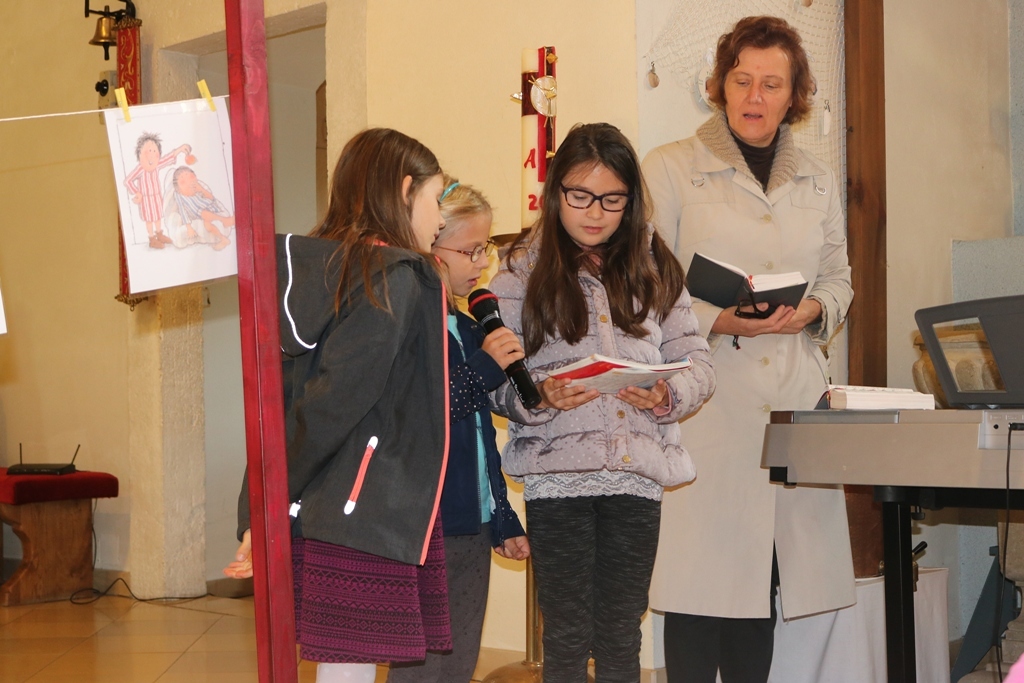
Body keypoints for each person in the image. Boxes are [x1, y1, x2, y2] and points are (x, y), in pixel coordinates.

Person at [642, 16, 856, 682]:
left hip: (790, 395)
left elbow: (839, 277)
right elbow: (645, 283)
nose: (754, 96)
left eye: (772, 83)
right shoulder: (670, 167)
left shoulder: (817, 179)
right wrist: (720, 317)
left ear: (795, 95)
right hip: (709, 398)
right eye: (741, 80)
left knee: (762, 580)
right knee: (699, 582)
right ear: (720, 85)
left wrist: (813, 310)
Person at [489, 122, 716, 683]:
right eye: (581, 196)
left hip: (635, 473)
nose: (595, 213)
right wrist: (538, 396)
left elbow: (698, 361)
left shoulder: (654, 263)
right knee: (566, 631)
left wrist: (666, 393)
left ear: (631, 200)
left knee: (621, 627)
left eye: (613, 200)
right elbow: (493, 376)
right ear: (555, 192)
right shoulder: (520, 268)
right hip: (557, 474)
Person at [224, 128, 450, 683]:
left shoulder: (320, 272)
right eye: (436, 198)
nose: (442, 218)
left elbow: (282, 408)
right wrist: (263, 504)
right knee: (348, 663)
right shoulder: (391, 279)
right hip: (367, 501)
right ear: (405, 190)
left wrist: (262, 502)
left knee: (339, 658)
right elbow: (333, 402)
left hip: (321, 498)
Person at [387, 177, 530, 683]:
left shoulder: (470, 327)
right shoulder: (407, 322)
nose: (482, 263)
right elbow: (428, 412)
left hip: (473, 520)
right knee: (421, 663)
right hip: (428, 523)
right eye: (471, 250)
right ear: (430, 246)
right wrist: (486, 366)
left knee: (459, 661)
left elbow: (481, 436)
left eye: (485, 248)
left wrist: (502, 515)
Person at [123, 132, 191, 249]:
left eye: (154, 151)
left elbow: (167, 158)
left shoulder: (157, 165)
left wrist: (180, 149)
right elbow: (128, 181)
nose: (152, 154)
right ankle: (152, 239)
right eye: (149, 151)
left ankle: (159, 234)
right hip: (146, 199)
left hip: (156, 197)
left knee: (158, 216)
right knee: (149, 219)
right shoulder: (140, 169)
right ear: (140, 154)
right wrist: (137, 192)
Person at [166, 165, 234, 250]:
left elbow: (211, 198)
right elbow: (182, 211)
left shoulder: (198, 187)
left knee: (204, 213)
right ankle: (223, 239)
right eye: (183, 182)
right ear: (178, 189)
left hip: (210, 208)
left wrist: (201, 189)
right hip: (200, 216)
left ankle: (224, 220)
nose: (188, 183)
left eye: (190, 177)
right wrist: (189, 228)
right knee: (207, 226)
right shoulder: (179, 195)